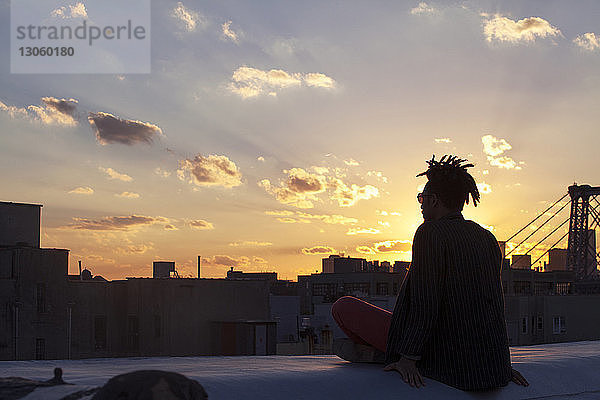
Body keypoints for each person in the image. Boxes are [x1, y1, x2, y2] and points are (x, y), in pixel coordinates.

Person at [332, 155, 529, 391]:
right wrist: (499, 364)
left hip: (443, 356)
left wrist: (409, 358)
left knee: (343, 307)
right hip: (487, 364)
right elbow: (494, 303)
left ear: (435, 200)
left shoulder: (430, 233)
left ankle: (384, 355)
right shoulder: (486, 237)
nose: (421, 204)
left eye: (422, 198)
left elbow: (426, 302)